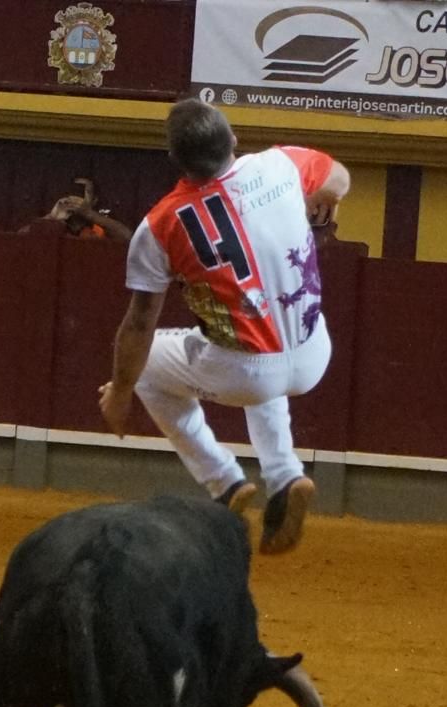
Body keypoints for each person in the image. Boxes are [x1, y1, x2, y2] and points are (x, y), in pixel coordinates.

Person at [98, 100, 349, 556]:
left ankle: (224, 481)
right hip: (315, 352)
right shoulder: (279, 165)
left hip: (246, 372)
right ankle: (284, 473)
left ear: (176, 160)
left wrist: (120, 389)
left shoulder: (160, 225)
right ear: (232, 139)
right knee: (265, 317)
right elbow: (340, 180)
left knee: (148, 370)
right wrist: (316, 202)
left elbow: (139, 322)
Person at [33, 178, 132, 243]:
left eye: (81, 196)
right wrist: (52, 217)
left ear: (94, 200)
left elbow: (127, 238)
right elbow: (22, 239)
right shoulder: (53, 222)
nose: (73, 202)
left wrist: (88, 213)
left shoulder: (100, 223)